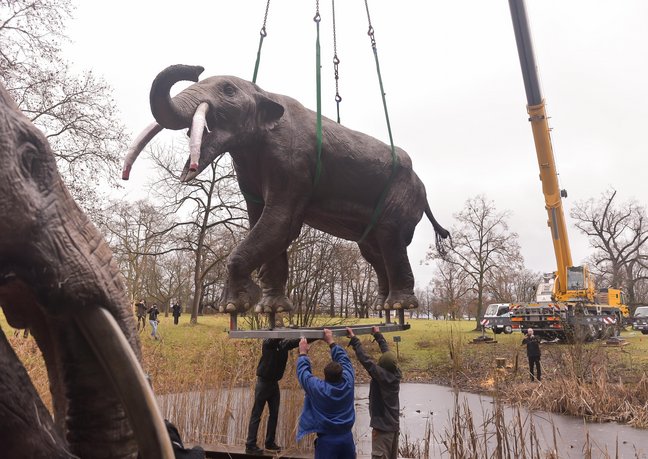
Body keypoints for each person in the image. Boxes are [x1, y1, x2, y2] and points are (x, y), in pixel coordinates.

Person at [296, 329, 356, 459]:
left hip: (327, 442)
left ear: (325, 376)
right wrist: (331, 342)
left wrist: (303, 353)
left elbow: (303, 374)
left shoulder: (319, 389)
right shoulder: (348, 383)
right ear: (342, 375)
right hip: (347, 440)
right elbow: (345, 361)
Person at [347, 326, 401, 459]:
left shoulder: (381, 377)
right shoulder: (396, 374)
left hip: (383, 431)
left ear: (382, 367)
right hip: (393, 429)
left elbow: (366, 361)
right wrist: (378, 336)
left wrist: (354, 340)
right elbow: (387, 354)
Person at [245, 337, 303, 455]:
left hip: (274, 384)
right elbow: (271, 339)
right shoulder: (268, 343)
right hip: (263, 383)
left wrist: (319, 335)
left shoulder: (285, 345)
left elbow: (296, 341)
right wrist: (284, 333)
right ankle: (250, 445)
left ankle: (269, 443)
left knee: (274, 414)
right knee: (256, 414)